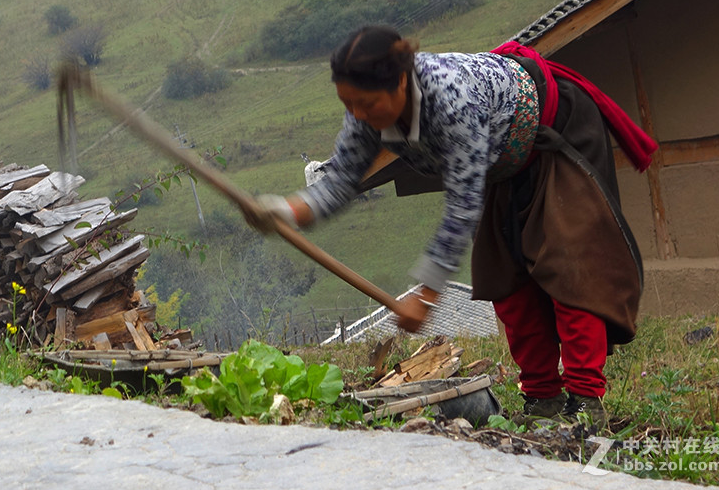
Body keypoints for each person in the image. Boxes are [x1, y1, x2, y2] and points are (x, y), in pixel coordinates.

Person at [244, 24, 653, 425]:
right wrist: (286, 211)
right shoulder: (364, 114)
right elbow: (341, 180)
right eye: (348, 104)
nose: (358, 115)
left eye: (366, 104)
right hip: (499, 165)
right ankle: (542, 397)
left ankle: (586, 401)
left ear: (401, 83)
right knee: (507, 280)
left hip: (554, 133)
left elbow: (461, 208)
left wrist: (424, 295)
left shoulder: (452, 101)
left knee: (571, 269)